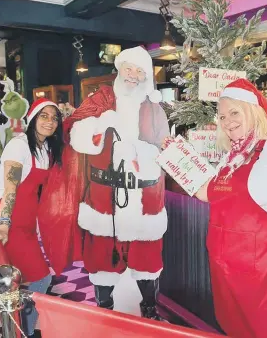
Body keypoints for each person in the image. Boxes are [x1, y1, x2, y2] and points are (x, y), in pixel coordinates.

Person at [165, 79, 267, 337]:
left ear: (253, 110)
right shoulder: (232, 157)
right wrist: (176, 158)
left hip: (265, 276)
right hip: (225, 274)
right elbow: (207, 193)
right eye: (221, 116)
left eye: (234, 112)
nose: (227, 121)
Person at [38, 46, 170, 320]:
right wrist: (101, 125)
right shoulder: (100, 100)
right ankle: (104, 314)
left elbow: (163, 148)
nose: (133, 76)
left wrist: (141, 154)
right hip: (103, 196)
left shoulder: (154, 108)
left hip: (145, 196)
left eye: (139, 71)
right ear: (120, 70)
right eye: (128, 69)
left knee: (147, 257)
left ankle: (149, 312)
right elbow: (74, 132)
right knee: (101, 257)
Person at [0, 98, 64, 338]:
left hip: (27, 221)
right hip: (12, 220)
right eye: (44, 116)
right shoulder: (19, 146)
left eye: (54, 117)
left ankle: (21, 328)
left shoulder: (45, 147)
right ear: (32, 118)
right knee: (41, 278)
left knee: (27, 279)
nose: (50, 122)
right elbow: (10, 189)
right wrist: (3, 225)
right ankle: (25, 330)